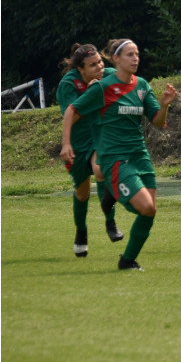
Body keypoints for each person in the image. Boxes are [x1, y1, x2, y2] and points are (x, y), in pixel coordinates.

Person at [60, 39, 178, 271]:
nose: (135, 59)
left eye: (137, 54)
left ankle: (127, 260)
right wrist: (66, 144)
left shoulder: (142, 84)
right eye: (129, 55)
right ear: (116, 59)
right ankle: (110, 198)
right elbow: (72, 110)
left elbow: (157, 121)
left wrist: (164, 105)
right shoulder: (102, 87)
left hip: (140, 156)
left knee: (149, 209)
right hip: (115, 158)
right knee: (145, 207)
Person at [56, 43, 123, 258]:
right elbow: (72, 115)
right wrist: (95, 93)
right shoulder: (68, 84)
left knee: (101, 169)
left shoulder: (109, 75)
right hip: (77, 142)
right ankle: (81, 232)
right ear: (80, 69)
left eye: (101, 62)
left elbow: (129, 83)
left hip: (100, 137)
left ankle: (110, 223)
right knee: (82, 192)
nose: (100, 68)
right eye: (93, 65)